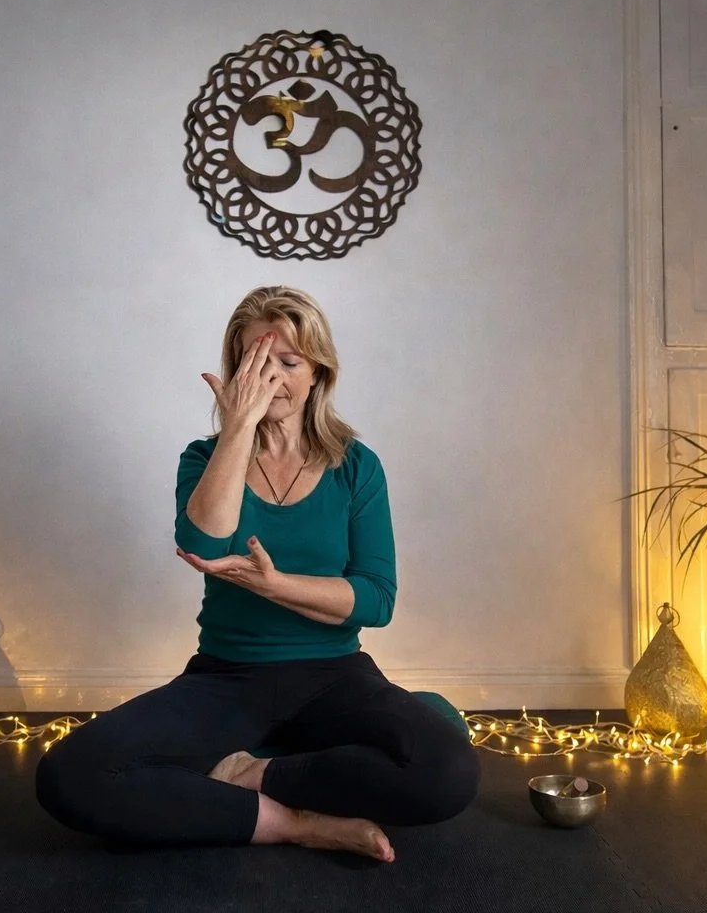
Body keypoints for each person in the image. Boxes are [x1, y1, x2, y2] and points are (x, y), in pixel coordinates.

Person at [36, 286, 480, 860]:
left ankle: (253, 773)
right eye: (255, 363)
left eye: (288, 362)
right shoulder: (203, 457)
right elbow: (202, 539)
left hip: (335, 677)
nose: (271, 377)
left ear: (318, 372)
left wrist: (275, 586)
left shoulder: (356, 466)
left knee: (448, 771)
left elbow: (376, 599)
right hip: (227, 678)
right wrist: (238, 426)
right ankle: (296, 822)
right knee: (69, 776)